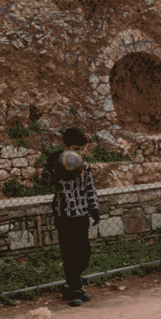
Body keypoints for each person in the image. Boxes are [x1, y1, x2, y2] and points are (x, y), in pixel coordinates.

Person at [41, 127, 100, 308]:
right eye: (76, 148)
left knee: (84, 253)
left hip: (81, 214)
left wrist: (94, 208)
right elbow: (44, 183)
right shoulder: (57, 164)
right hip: (64, 215)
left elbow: (90, 188)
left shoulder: (83, 166)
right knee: (69, 253)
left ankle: (70, 285)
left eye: (81, 149)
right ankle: (75, 289)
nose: (79, 152)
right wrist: (51, 165)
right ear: (66, 146)